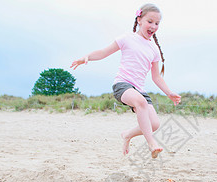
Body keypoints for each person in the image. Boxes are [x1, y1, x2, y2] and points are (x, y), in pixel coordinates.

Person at [70, 3, 181, 159]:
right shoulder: (127, 38)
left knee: (154, 124)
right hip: (122, 85)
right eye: (150, 21)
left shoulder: (154, 49)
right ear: (139, 19)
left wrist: (169, 93)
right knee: (141, 103)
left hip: (139, 90)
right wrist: (86, 57)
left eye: (157, 23)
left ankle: (127, 134)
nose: (153, 26)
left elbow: (156, 77)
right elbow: (103, 52)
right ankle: (151, 143)